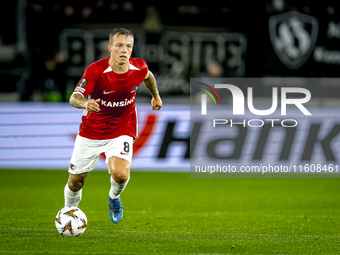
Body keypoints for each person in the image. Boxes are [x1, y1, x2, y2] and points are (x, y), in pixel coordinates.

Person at [64, 27, 162, 223]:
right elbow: (74, 98)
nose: (124, 50)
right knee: (76, 182)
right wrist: (85, 103)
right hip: (91, 131)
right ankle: (69, 213)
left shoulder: (139, 67)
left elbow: (148, 77)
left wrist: (155, 96)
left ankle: (114, 197)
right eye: (119, 45)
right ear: (110, 48)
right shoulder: (96, 70)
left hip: (121, 128)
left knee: (120, 174)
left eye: (128, 46)